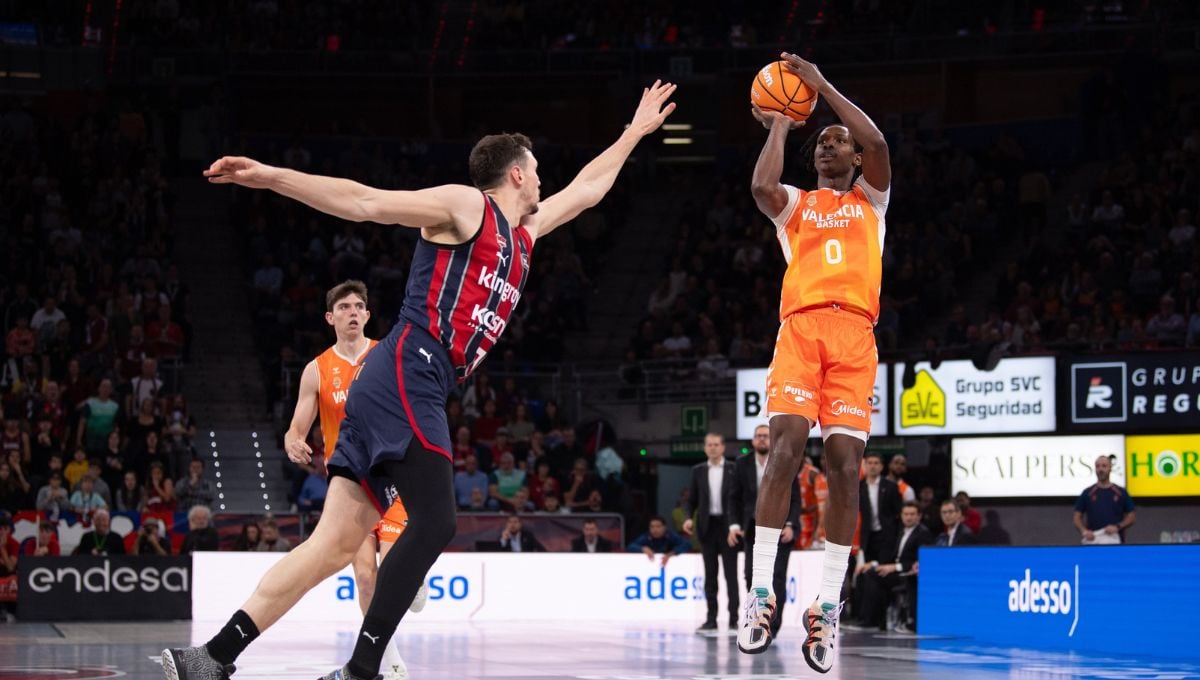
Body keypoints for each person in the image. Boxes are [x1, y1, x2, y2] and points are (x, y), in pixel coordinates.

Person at [165, 79, 677, 680]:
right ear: (515, 174)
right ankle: (361, 671)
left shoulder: (525, 236)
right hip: (410, 369)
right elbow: (364, 201)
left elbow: (588, 190)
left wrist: (634, 132)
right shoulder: (467, 207)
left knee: (329, 548)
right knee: (436, 522)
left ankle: (211, 657)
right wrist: (271, 176)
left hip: (406, 382)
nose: (543, 180)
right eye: (535, 169)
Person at [741, 52, 891, 674]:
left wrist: (820, 85)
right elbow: (759, 187)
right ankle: (761, 593)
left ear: (854, 160)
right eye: (823, 142)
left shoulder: (873, 204)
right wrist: (781, 118)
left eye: (840, 142)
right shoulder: (796, 207)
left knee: (845, 466)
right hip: (801, 331)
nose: (831, 145)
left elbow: (878, 138)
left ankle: (827, 605)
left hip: (855, 335)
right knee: (785, 449)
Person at [728, 424, 800, 638]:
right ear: (752, 440)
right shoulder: (742, 464)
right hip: (752, 528)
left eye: (765, 436)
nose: (761, 440)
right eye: (758, 436)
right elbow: (733, 497)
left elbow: (795, 497)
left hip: (781, 529)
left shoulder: (785, 460)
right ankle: (755, 619)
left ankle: (773, 625)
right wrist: (734, 525)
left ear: (772, 440)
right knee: (751, 574)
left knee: (778, 577)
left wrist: (791, 524)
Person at [682, 433, 739, 632]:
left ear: (723, 447)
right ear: (705, 448)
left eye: (716, 444)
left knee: (731, 575)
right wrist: (688, 517)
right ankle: (711, 618)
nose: (713, 448)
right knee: (710, 576)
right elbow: (691, 500)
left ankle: (734, 618)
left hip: (728, 528)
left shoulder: (733, 469)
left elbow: (738, 499)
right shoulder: (698, 471)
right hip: (707, 527)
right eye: (709, 445)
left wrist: (737, 524)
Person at [848, 502, 933, 632]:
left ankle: (870, 621)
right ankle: (865, 617)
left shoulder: (923, 533)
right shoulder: (899, 531)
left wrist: (895, 567)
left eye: (912, 514)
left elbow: (921, 560)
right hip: (896, 571)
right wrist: (875, 563)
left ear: (919, 516)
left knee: (874, 577)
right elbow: (889, 556)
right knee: (865, 572)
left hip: (908, 574)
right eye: (906, 514)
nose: (908, 517)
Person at [1073, 455, 1135, 544]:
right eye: (1098, 466)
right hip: (1093, 540)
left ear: (1110, 468)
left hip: (1115, 541)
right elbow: (1076, 517)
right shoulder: (1087, 493)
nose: (1100, 469)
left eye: (1104, 466)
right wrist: (1084, 531)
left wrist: (1117, 526)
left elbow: (1131, 516)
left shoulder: (1121, 492)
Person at [858, 452, 901, 566]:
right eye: (870, 463)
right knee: (867, 570)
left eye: (876, 463)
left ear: (882, 466)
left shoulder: (891, 487)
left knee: (883, 567)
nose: (873, 466)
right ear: (864, 465)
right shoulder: (859, 487)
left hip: (886, 534)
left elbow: (898, 513)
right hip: (867, 535)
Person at [627, 516, 691, 564]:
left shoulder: (670, 535)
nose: (655, 529)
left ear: (664, 527)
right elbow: (630, 546)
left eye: (658, 526)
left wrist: (673, 552)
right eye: (652, 527)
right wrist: (643, 548)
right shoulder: (646, 536)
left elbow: (687, 544)